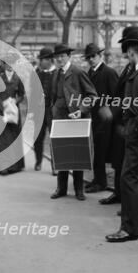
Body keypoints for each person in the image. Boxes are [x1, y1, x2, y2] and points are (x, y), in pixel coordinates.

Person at [106, 28, 138, 242]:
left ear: (130, 51)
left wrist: (133, 127)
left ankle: (128, 228)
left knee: (129, 178)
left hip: (136, 132)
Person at [49, 43, 97, 200]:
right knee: (61, 152)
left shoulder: (77, 72)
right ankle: (61, 189)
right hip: (60, 120)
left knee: (77, 154)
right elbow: (54, 96)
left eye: (62, 56)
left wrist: (81, 110)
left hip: (76, 119)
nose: (60, 59)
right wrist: (54, 110)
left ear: (69, 56)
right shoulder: (56, 74)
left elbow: (92, 96)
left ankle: (78, 190)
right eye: (57, 57)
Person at [100, 26, 138, 206]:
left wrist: (113, 110)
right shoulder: (128, 68)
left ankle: (133, 202)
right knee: (118, 160)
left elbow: (133, 99)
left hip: (132, 124)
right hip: (121, 123)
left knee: (132, 166)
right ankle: (118, 193)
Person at [84, 43, 118, 193]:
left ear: (100, 56)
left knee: (102, 151)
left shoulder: (109, 73)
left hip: (106, 119)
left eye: (93, 56)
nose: (91, 59)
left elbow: (118, 97)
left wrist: (110, 112)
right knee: (96, 150)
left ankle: (101, 182)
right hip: (94, 118)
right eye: (88, 57)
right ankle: (97, 179)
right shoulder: (89, 73)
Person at [0, 56, 25, 175]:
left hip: (13, 111)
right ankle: (2, 166)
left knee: (13, 138)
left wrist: (15, 101)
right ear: (3, 64)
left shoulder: (18, 78)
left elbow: (21, 95)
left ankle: (14, 166)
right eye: (8, 63)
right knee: (1, 139)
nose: (10, 65)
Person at [33, 47, 56, 171]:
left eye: (42, 60)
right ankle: (38, 161)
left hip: (52, 112)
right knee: (38, 138)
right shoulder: (37, 74)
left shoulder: (57, 73)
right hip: (39, 111)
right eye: (41, 60)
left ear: (49, 60)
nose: (40, 62)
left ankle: (54, 166)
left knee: (54, 139)